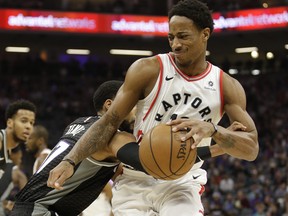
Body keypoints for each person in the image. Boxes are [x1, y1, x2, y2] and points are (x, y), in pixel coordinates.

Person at [48, 0, 259, 215]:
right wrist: (70, 160)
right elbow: (109, 122)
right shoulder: (147, 70)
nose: (175, 44)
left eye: (183, 36)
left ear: (205, 34)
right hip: (135, 180)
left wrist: (214, 130)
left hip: (182, 182)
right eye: (171, 37)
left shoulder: (226, 86)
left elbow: (251, 149)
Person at [10, 80, 140, 216]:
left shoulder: (77, 124)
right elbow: (143, 162)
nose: (136, 111)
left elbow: (116, 171)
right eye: (133, 104)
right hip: (40, 210)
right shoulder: (113, 137)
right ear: (109, 105)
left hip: (24, 207)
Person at [0, 99, 36, 215]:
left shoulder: (7, 151)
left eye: (31, 123)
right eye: (24, 121)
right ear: (10, 123)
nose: (28, 127)